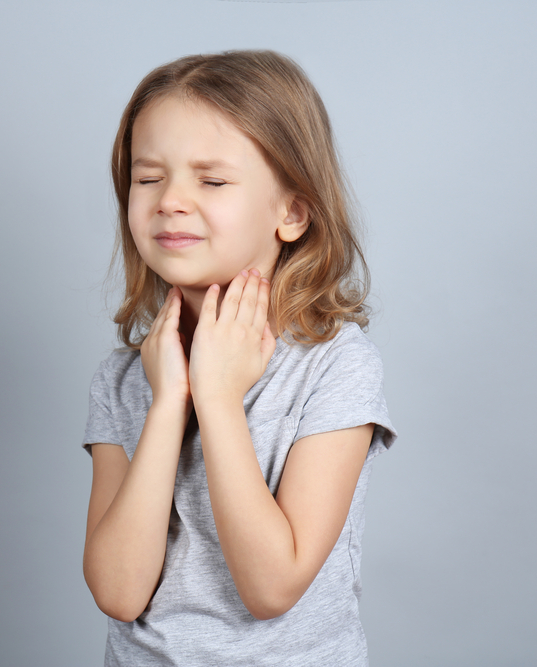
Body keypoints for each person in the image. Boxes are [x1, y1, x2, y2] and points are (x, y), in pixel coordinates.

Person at [82, 50, 397, 667]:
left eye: (212, 180)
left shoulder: (336, 368)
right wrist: (170, 401)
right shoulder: (124, 381)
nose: (170, 200)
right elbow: (119, 593)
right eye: (148, 178)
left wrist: (219, 397)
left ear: (293, 211)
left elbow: (271, 587)